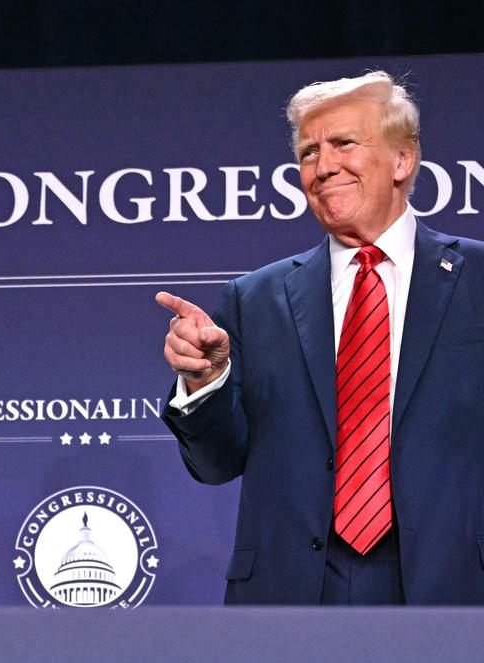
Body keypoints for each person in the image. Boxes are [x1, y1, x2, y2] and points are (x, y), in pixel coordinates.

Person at [157, 71, 484, 605]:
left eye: (344, 144)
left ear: (402, 160)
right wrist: (205, 381)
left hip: (454, 590)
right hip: (291, 595)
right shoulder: (254, 299)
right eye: (308, 153)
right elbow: (216, 464)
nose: (323, 166)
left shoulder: (478, 277)